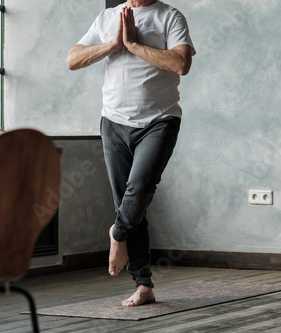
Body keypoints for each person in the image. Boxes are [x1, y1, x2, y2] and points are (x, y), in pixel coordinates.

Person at [66, 0, 195, 307]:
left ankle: (117, 233)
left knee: (139, 190)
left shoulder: (169, 16)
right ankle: (143, 284)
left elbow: (181, 64)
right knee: (127, 200)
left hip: (160, 120)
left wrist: (134, 44)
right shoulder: (108, 17)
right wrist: (112, 44)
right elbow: (73, 59)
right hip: (113, 122)